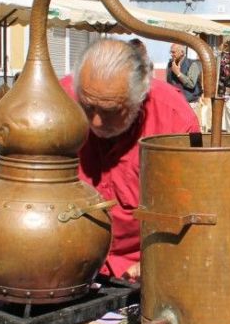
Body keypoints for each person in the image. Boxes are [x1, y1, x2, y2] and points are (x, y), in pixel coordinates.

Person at [62, 38, 200, 280]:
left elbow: (194, 209)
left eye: (111, 111)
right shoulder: (58, 98)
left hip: (140, 271)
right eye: (87, 107)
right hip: (66, 260)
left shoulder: (174, 119)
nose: (95, 122)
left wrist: (159, 261)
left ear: (141, 95)